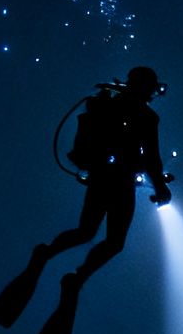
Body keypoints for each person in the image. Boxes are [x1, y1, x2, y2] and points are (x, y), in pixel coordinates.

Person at [40, 65, 172, 284]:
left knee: (85, 231)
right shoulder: (147, 117)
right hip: (120, 182)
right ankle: (78, 277)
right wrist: (161, 187)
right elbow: (151, 157)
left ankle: (47, 253)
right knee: (115, 241)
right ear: (146, 86)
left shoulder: (109, 105)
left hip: (101, 176)